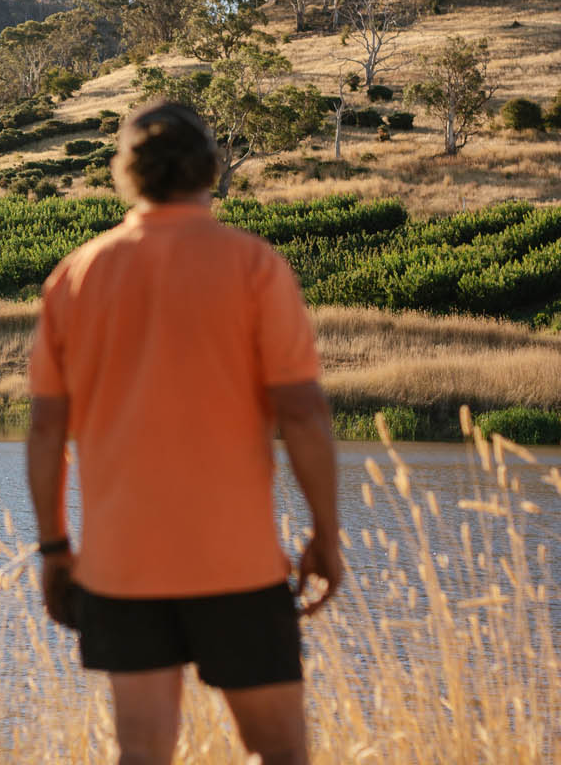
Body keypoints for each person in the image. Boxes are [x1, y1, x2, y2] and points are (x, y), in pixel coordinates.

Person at [26, 100, 342, 765]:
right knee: (282, 753)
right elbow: (305, 412)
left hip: (118, 571)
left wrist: (56, 549)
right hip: (239, 566)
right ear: (210, 168)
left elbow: (48, 429)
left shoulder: (76, 275)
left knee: (143, 757)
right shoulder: (253, 265)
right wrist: (326, 533)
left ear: (126, 173)